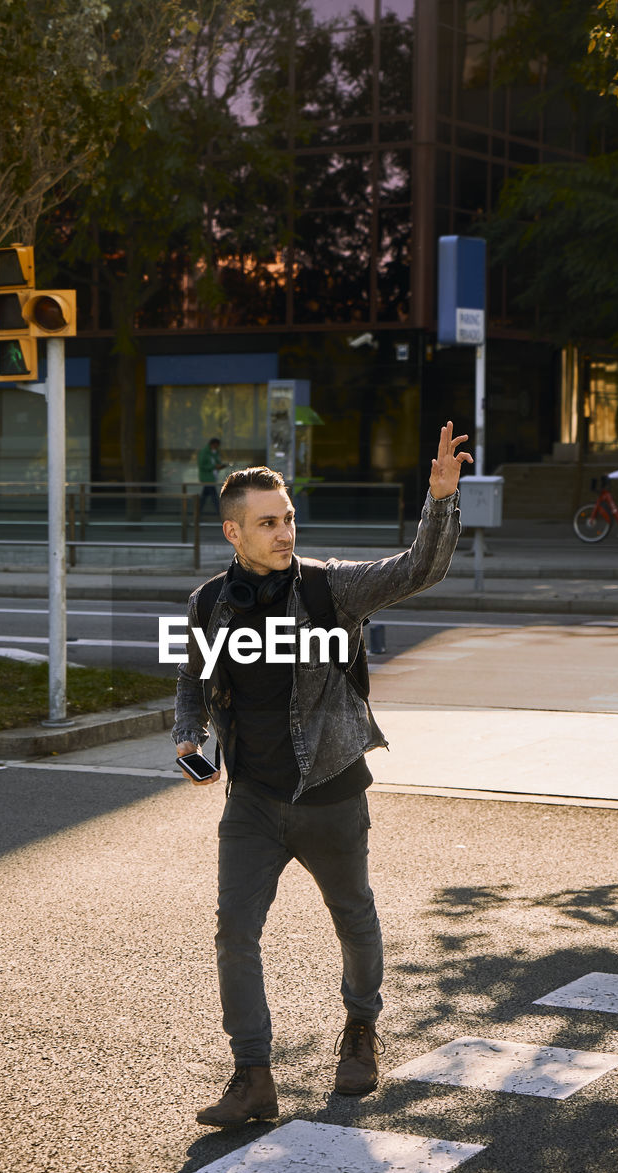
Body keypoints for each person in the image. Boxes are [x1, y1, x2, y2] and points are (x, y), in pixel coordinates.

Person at [172, 420, 471, 1127]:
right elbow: (193, 676)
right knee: (232, 932)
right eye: (267, 523)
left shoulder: (330, 591)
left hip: (331, 791)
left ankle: (361, 1031)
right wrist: (189, 739)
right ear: (232, 533)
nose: (284, 533)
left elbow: (416, 570)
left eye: (289, 519)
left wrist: (439, 501)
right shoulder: (211, 603)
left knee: (352, 916)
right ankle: (252, 1076)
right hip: (251, 800)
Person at [197, 437, 224, 516]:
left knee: (205, 496)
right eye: (216, 446)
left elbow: (217, 461)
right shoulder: (204, 452)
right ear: (212, 444)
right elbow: (202, 465)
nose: (217, 447)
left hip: (212, 477)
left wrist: (219, 466)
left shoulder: (215, 452)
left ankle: (198, 511)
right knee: (213, 496)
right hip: (207, 477)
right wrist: (214, 466)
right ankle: (220, 512)